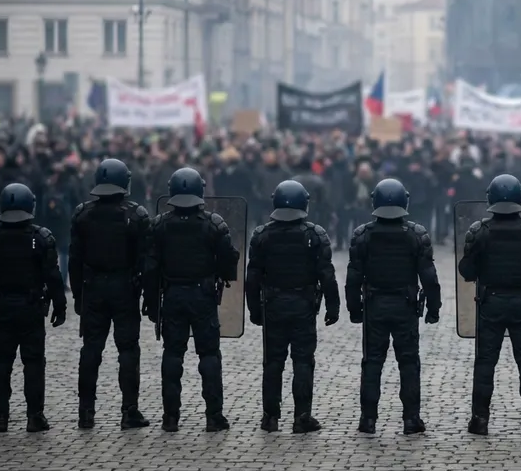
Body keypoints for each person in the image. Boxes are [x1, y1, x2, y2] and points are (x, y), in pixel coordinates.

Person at [142, 168, 240, 432]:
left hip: (172, 295)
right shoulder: (214, 224)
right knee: (209, 355)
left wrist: (152, 304)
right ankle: (213, 416)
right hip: (202, 296)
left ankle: (170, 417)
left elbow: (150, 268)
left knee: (172, 355)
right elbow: (229, 262)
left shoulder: (159, 225)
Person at [458, 174, 521, 437]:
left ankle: (479, 420)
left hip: (490, 303)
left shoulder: (479, 231)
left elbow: (466, 271)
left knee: (485, 363)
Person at [346, 178, 441, 435]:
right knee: (408, 363)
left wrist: (354, 310)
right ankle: (411, 420)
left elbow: (353, 278)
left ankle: (368, 419)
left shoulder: (362, 235)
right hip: (405, 306)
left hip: (375, 306)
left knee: (372, 363)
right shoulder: (416, 234)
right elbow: (429, 277)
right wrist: (434, 308)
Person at [245, 179, 339, 434]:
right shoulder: (315, 235)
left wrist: (253, 309)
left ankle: (270, 417)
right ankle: (302, 416)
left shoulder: (262, 235)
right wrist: (334, 306)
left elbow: (252, 277)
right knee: (303, 361)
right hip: (303, 306)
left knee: (273, 362)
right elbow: (326, 274)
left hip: (273, 305)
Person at [0, 183, 67, 433]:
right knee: (34, 363)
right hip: (31, 309)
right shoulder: (41, 237)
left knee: (1, 363)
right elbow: (52, 275)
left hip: (2, 308)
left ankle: (0, 418)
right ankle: (35, 416)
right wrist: (60, 305)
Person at [69, 158, 151, 430]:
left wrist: (79, 296)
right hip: (124, 289)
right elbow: (145, 260)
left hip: (93, 288)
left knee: (91, 349)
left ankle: (86, 411)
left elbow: (75, 260)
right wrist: (144, 292)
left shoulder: (83, 214)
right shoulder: (136, 215)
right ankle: (129, 410)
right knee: (127, 350)